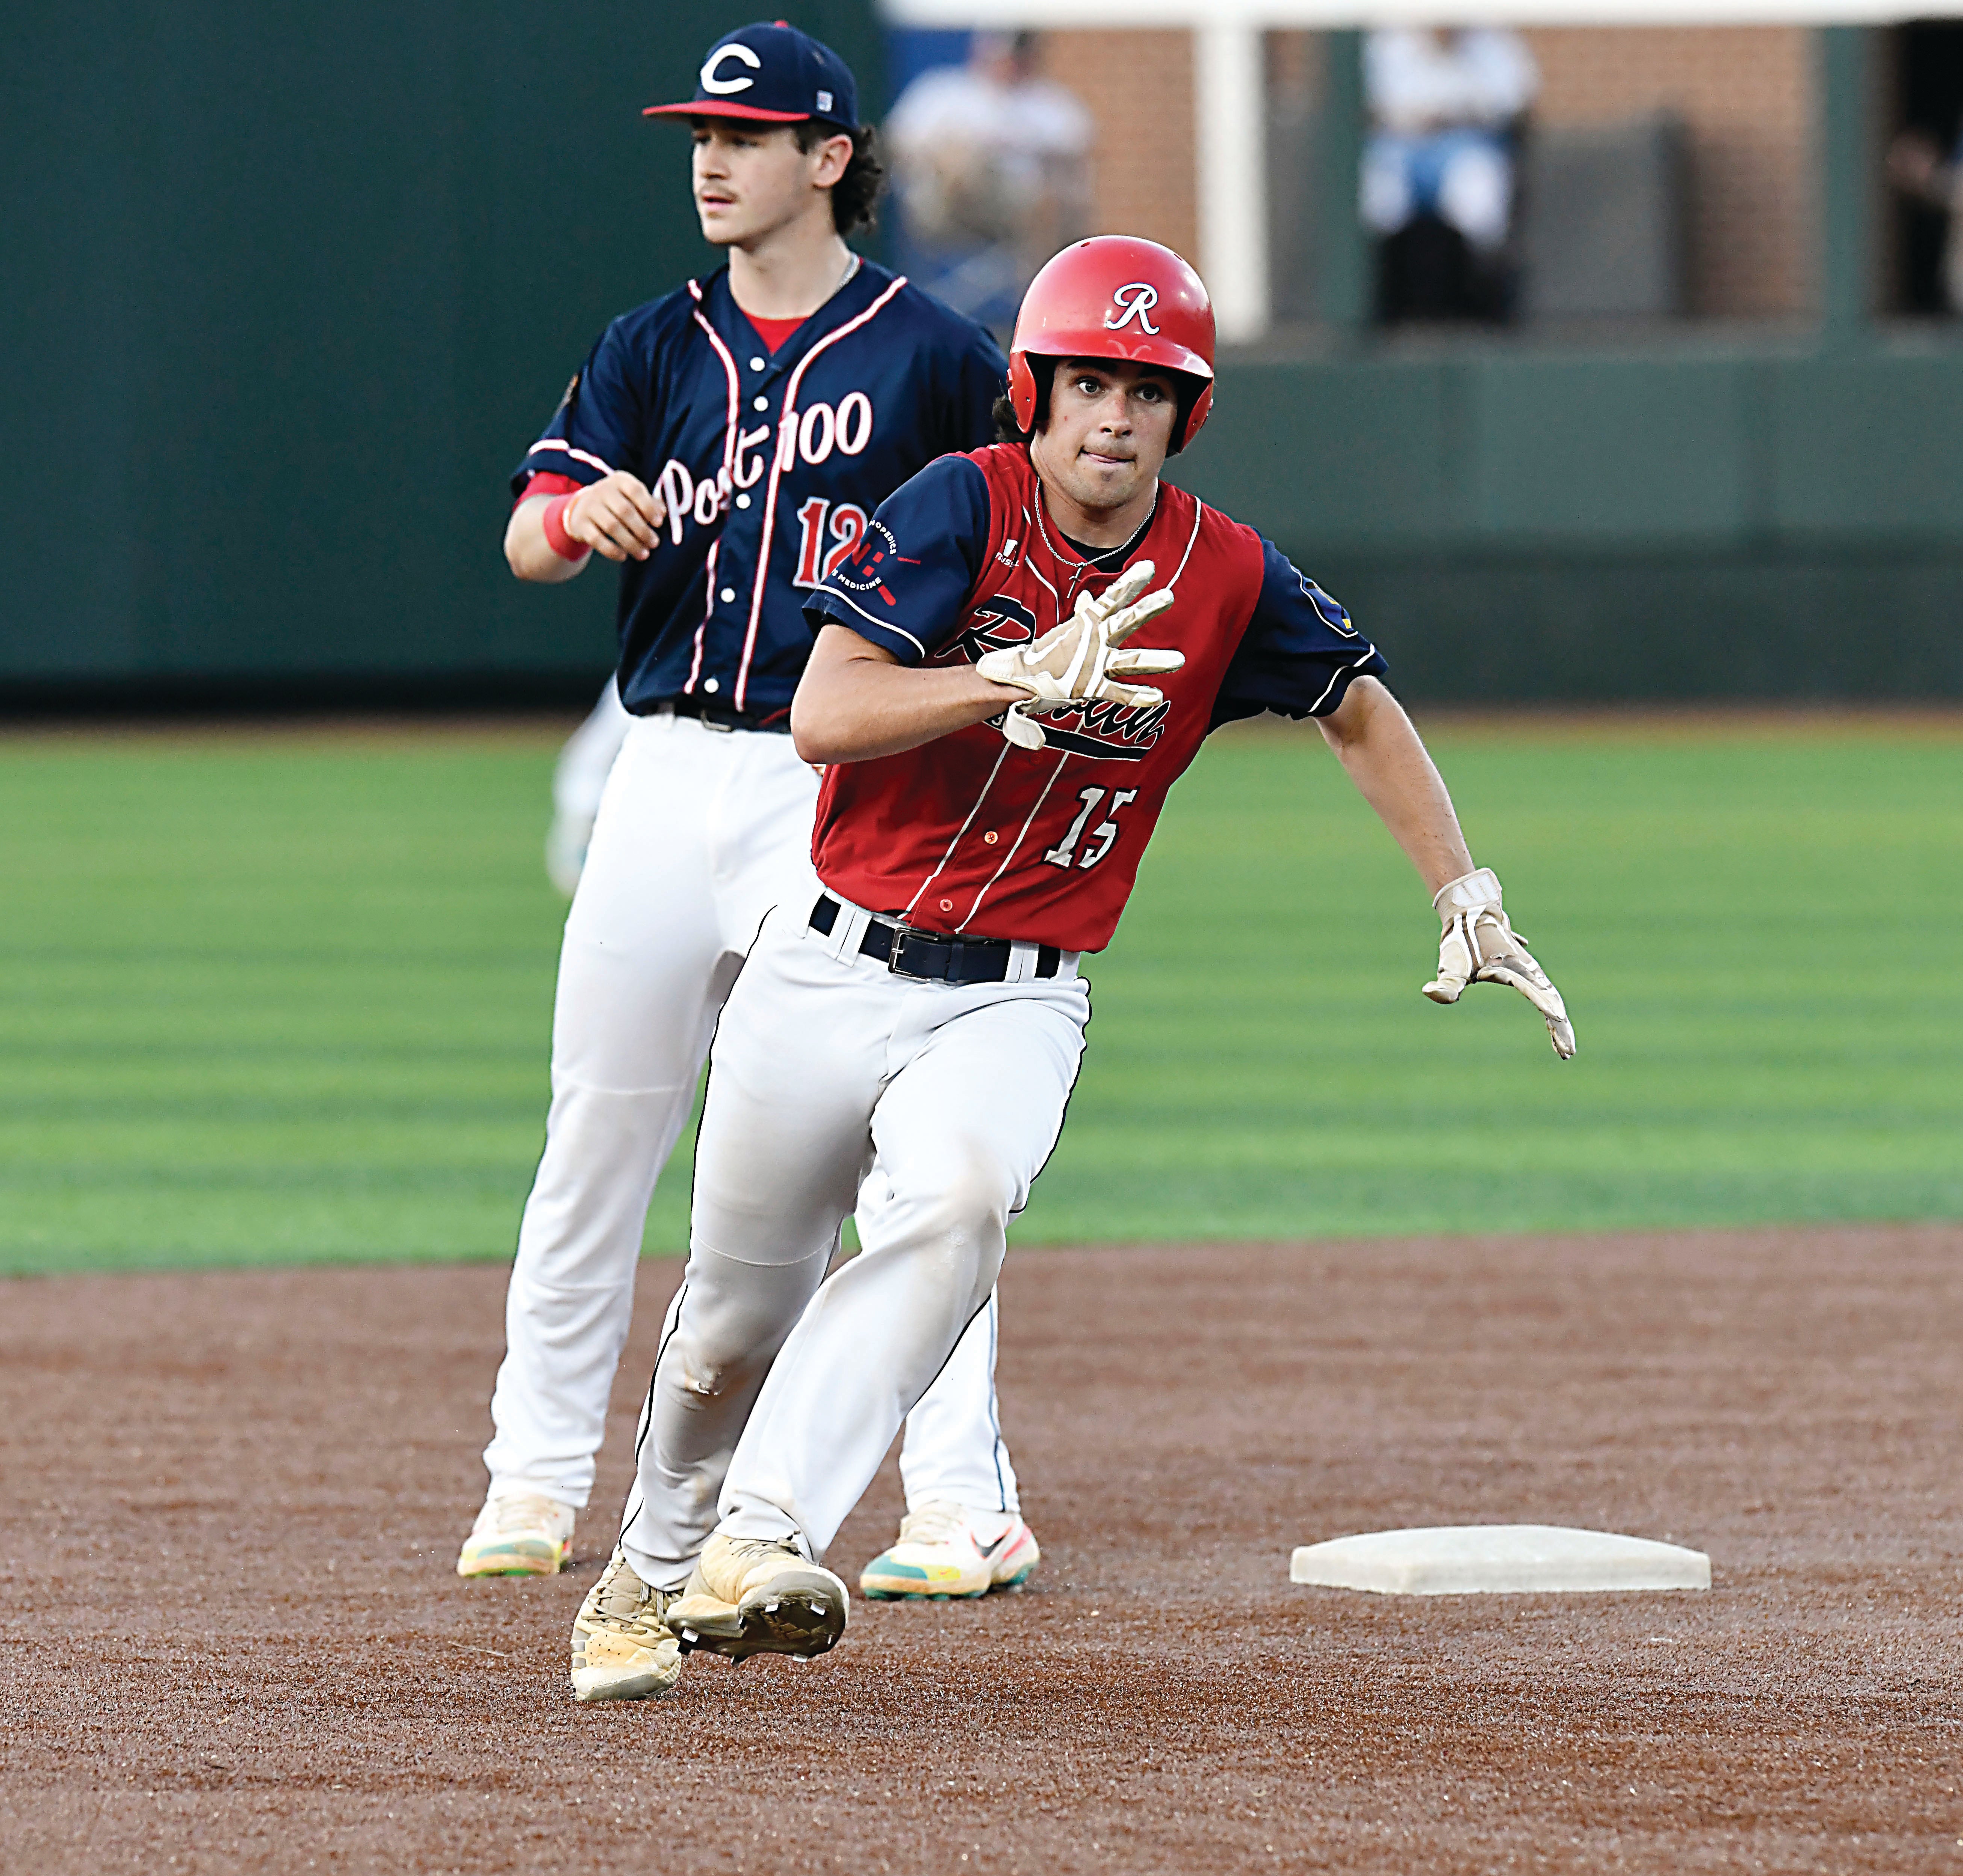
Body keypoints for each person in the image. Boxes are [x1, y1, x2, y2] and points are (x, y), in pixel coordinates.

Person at [565, 234, 1576, 1703]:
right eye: (1087, 382)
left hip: (1013, 993)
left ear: (1187, 414)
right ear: (1032, 393)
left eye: (1146, 389)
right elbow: (825, 716)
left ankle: (764, 1534)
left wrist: (1463, 887)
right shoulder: (954, 507)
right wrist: (1004, 677)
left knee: (962, 1203)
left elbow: (1357, 705)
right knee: (725, 1324)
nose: (1113, 416)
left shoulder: (1221, 573)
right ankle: (643, 1579)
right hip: (825, 965)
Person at [457, 21, 1040, 1611]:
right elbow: (526, 533)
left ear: (830, 160)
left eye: (748, 134)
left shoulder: (929, 356)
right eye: (699, 136)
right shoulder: (652, 343)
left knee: (886, 1151)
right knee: (599, 1127)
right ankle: (531, 1475)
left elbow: (1014, 532)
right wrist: (575, 514)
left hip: (837, 784)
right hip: (664, 766)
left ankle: (959, 1501)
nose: (711, 160)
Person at [884, 32, 1092, 333]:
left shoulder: (1052, 107)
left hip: (1016, 212)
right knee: (957, 154)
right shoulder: (942, 93)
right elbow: (899, 146)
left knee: (1049, 199)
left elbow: (1077, 157)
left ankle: (1043, 307)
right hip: (945, 207)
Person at [1361, 27, 1538, 322]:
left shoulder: (1490, 41)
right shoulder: (1388, 41)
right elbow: (1366, 106)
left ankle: (1484, 294)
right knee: (1380, 190)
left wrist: (1457, 115)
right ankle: (1378, 296)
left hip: (1467, 145)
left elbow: (1516, 103)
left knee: (1478, 185)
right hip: (1399, 149)